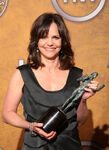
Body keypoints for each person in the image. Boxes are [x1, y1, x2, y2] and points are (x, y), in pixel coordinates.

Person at [2, 13, 98, 150]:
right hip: (36, 146)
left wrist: (83, 99)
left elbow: (81, 121)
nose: (50, 43)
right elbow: (7, 114)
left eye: (55, 37)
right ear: (36, 41)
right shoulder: (22, 74)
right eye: (44, 37)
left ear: (63, 41)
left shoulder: (76, 75)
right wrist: (31, 126)